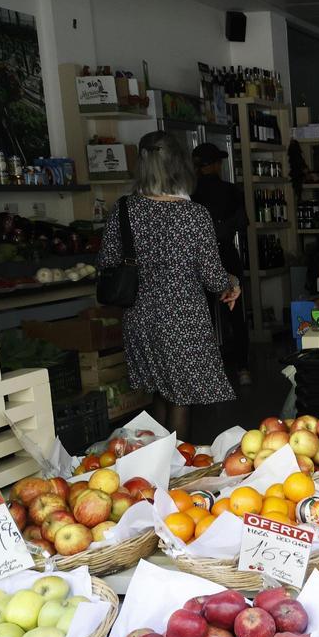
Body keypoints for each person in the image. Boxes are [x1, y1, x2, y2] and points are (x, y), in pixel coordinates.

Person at [100, 131, 240, 440]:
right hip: (181, 319)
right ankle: (175, 470)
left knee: (161, 392)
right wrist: (232, 283)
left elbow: (107, 263)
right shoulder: (193, 215)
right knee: (180, 397)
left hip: (139, 319)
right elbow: (213, 277)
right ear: (180, 166)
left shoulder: (123, 210)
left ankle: (161, 467)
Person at [190, 142, 251, 387]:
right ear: (216, 165)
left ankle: (204, 373)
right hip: (225, 254)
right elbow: (242, 223)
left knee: (201, 316)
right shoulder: (231, 190)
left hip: (196, 259)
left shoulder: (189, 195)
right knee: (235, 315)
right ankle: (243, 368)